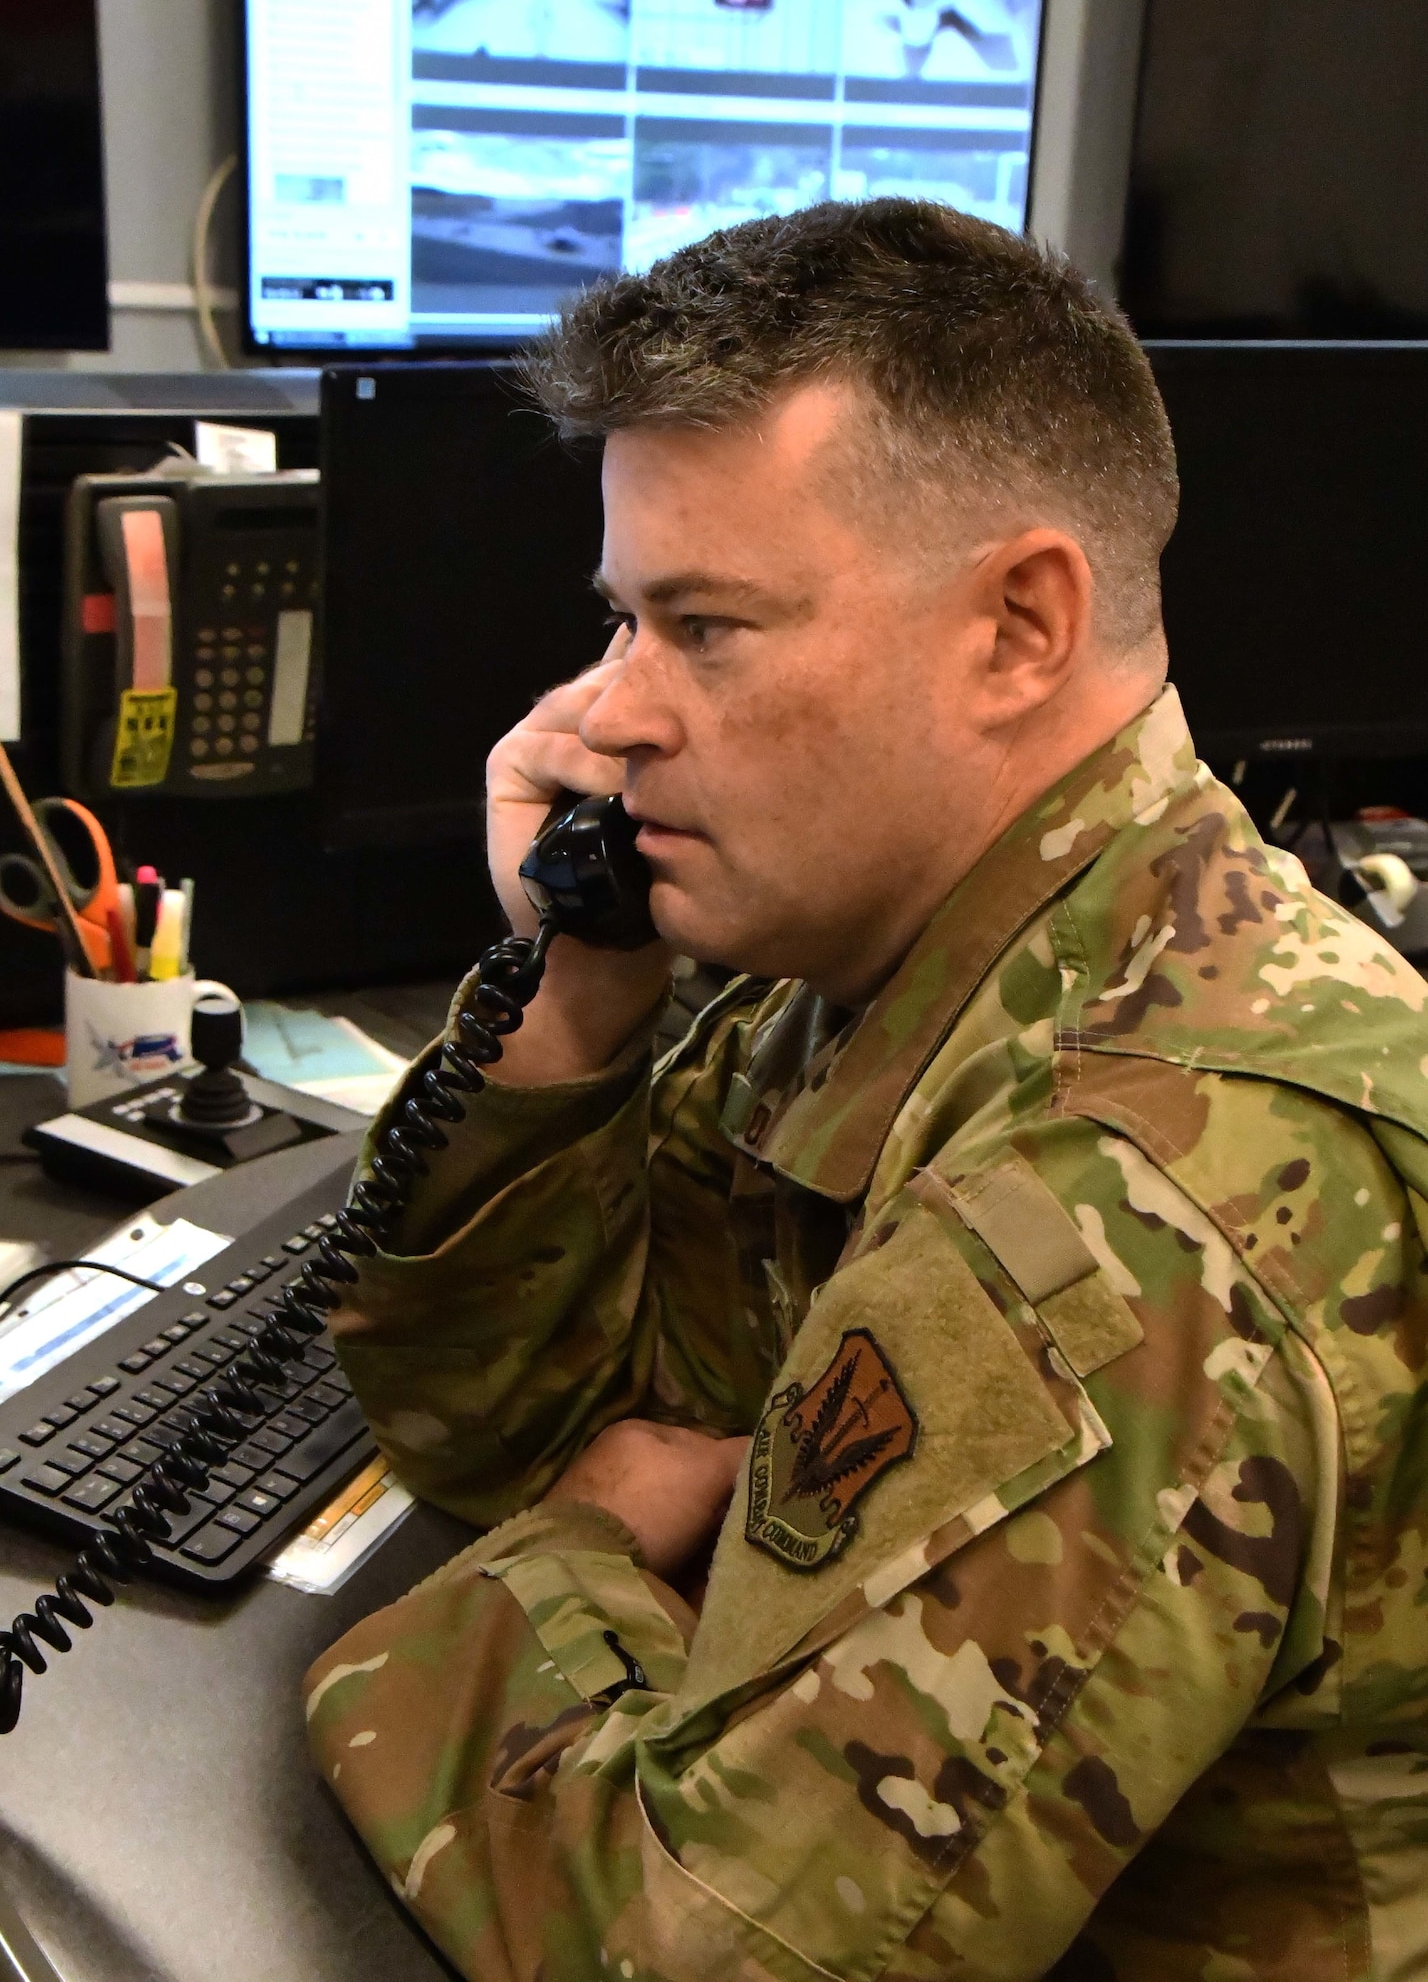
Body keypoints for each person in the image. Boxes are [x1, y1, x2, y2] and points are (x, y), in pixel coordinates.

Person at [303, 199, 1428, 1981]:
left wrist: (576, 1546)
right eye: (620, 622)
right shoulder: (879, 975)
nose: (608, 719)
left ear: (1016, 628)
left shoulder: (1139, 1200)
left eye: (708, 628)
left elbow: (706, 1952)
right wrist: (570, 997)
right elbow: (498, 1428)